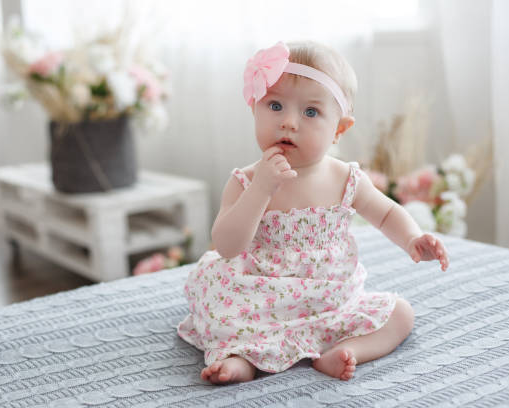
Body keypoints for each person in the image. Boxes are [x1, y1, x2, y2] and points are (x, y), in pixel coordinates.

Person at [177, 41, 449, 384]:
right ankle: (239, 360)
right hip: (261, 297)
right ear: (254, 110)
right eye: (275, 105)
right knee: (229, 317)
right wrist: (262, 189)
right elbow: (227, 246)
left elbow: (386, 213)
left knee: (401, 315)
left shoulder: (346, 178)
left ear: (338, 129)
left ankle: (345, 351)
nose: (289, 122)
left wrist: (412, 237)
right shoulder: (246, 181)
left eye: (310, 112)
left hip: (329, 299)